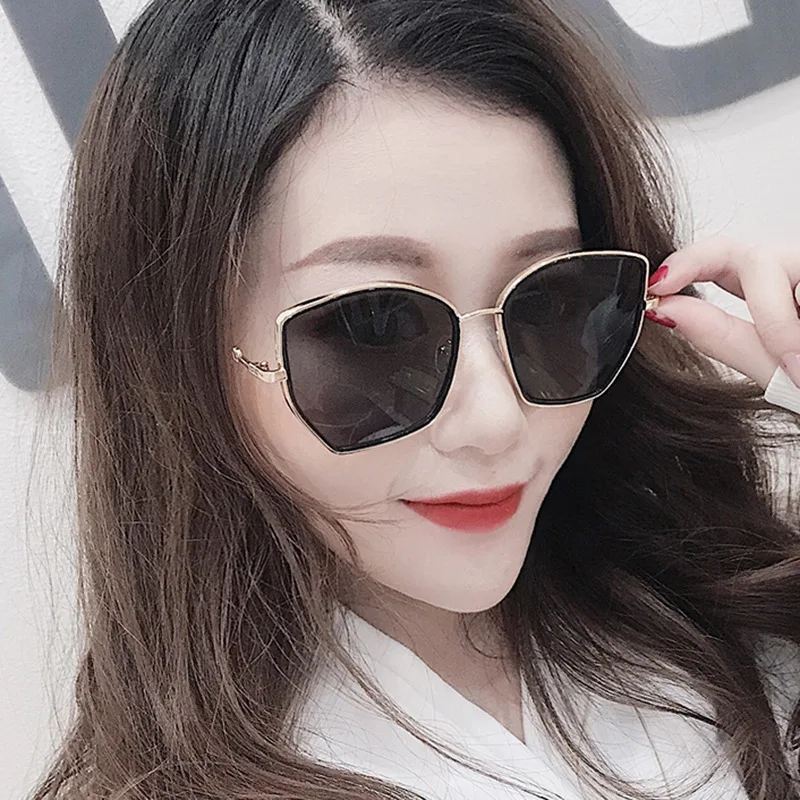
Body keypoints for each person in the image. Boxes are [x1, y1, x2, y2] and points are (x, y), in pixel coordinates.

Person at [29, 1, 800, 799]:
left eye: (550, 299)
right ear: (183, 357)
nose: (495, 421)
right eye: (373, 327)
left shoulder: (718, 605)